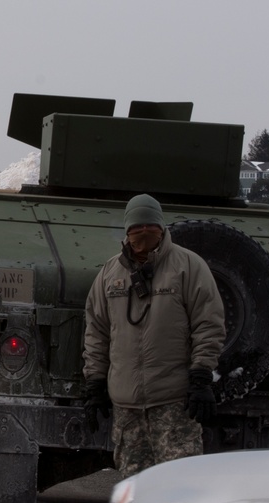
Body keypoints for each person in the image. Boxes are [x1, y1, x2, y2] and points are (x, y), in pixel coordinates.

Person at [82, 193, 226, 478]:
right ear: (127, 232)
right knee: (134, 491)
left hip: (172, 404)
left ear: (162, 228)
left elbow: (208, 324)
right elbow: (97, 332)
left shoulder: (188, 266)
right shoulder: (110, 274)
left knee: (178, 488)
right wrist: (94, 385)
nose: (144, 234)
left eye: (150, 227)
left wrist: (201, 376)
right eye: (137, 229)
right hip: (126, 408)